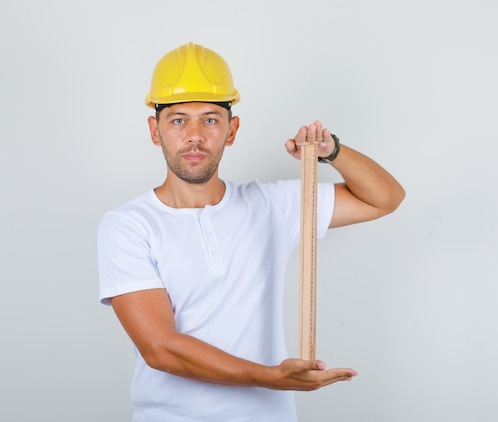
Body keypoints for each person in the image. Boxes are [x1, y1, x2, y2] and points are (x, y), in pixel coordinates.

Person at [98, 42, 405, 422]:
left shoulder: (273, 205)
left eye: (210, 119)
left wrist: (332, 151)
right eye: (178, 120)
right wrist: (270, 378)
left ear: (232, 130)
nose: (194, 135)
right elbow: (160, 348)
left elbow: (384, 198)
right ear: (154, 130)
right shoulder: (128, 225)